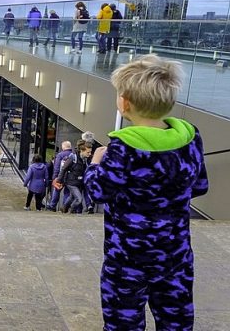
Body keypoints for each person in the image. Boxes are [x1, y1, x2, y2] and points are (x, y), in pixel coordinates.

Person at [85, 54, 209, 331]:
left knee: (123, 321)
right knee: (176, 319)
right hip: (175, 252)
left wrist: (95, 163)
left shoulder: (124, 147)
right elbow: (199, 186)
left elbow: (97, 191)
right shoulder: (190, 136)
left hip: (128, 255)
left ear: (125, 102)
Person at [59, 139, 91, 213]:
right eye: (88, 152)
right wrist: (59, 180)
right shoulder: (73, 157)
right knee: (79, 199)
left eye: (90, 152)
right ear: (82, 151)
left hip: (78, 182)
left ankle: (64, 208)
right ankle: (72, 210)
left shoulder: (85, 159)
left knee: (71, 197)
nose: (89, 154)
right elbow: (64, 168)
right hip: (71, 182)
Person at [47, 140, 73, 211]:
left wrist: (55, 177)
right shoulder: (73, 155)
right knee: (67, 192)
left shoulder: (60, 155)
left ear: (63, 147)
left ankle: (52, 206)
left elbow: (57, 167)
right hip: (70, 177)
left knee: (57, 190)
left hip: (60, 176)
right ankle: (65, 207)